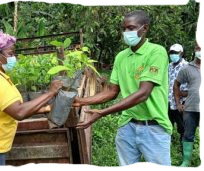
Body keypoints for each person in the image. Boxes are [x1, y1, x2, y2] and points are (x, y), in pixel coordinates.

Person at [73, 10, 172, 166]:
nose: (126, 32)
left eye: (131, 28)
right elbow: (112, 91)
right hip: (128, 125)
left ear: (144, 28)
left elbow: (143, 94)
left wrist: (103, 112)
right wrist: (81, 101)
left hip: (154, 128)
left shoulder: (156, 52)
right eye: (124, 28)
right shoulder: (121, 57)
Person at [0, 31, 63, 165]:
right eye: (10, 54)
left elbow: (7, 108)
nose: (14, 58)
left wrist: (44, 108)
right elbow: (19, 112)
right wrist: (50, 93)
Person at [174, 42, 201, 167]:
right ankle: (186, 161)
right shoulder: (187, 69)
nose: (200, 51)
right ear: (195, 49)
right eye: (198, 48)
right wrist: (178, 103)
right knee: (188, 135)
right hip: (191, 109)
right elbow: (176, 85)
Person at [168, 44, 188, 143]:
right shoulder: (169, 66)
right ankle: (169, 141)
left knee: (183, 127)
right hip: (169, 101)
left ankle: (184, 147)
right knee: (167, 124)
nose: (173, 55)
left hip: (181, 102)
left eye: (175, 53)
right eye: (171, 52)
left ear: (181, 53)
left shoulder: (187, 67)